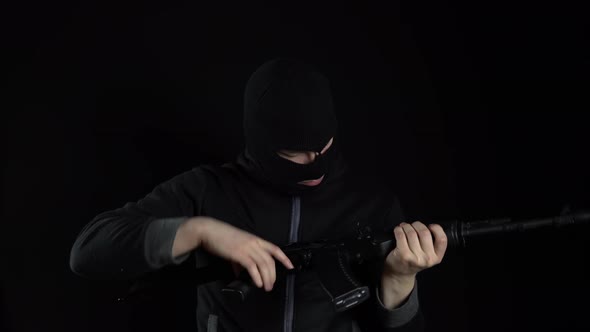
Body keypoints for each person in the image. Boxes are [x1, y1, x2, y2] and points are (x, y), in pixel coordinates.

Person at [70, 58, 447, 332]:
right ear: (261, 142)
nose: (312, 164)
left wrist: (399, 283)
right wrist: (200, 231)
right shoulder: (208, 189)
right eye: (292, 154)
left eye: (323, 146)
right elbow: (88, 251)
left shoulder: (373, 203)